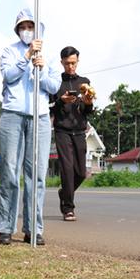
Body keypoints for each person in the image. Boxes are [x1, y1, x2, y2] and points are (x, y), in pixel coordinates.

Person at [0, 9, 61, 246]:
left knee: (36, 175)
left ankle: (33, 227)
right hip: (12, 113)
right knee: (9, 173)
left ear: (38, 28)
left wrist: (41, 69)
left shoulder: (50, 55)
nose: (26, 30)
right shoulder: (10, 51)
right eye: (22, 26)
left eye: (30, 26)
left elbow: (54, 86)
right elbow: (9, 75)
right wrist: (25, 58)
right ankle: (5, 226)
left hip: (40, 116)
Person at [50, 46, 94, 221]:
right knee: (67, 170)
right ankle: (68, 208)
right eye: (67, 63)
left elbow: (86, 111)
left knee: (81, 173)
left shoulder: (84, 81)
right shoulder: (55, 83)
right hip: (62, 131)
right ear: (62, 62)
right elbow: (49, 108)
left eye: (73, 63)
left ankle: (64, 193)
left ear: (78, 61)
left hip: (79, 130)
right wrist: (61, 101)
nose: (70, 67)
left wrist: (88, 102)